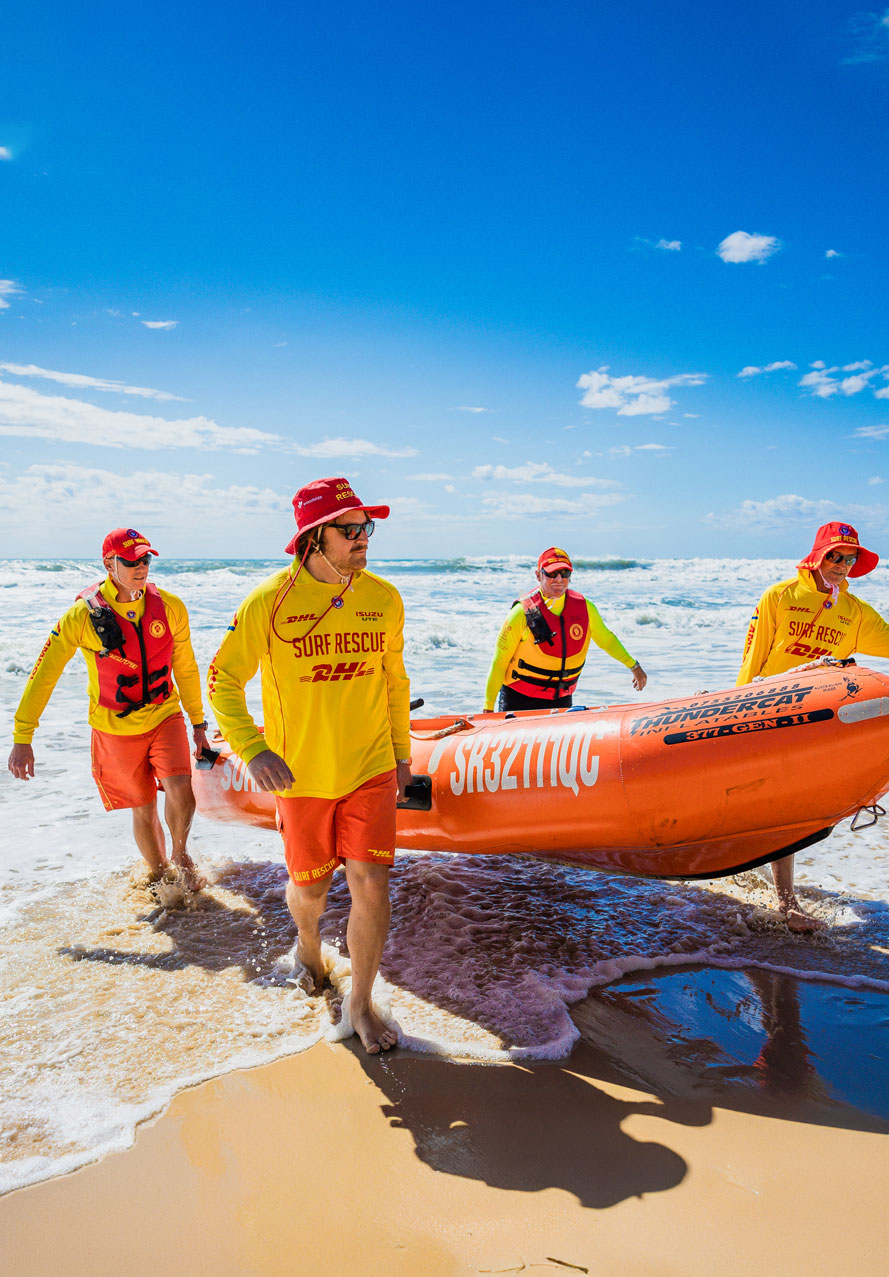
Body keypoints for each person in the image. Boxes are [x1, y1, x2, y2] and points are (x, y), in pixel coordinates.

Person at [207, 476, 411, 1055]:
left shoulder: (384, 598)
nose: (364, 539)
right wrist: (253, 748)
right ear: (314, 537)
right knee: (312, 889)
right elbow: (222, 681)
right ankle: (307, 944)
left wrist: (401, 755)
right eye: (351, 530)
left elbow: (395, 684)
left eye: (366, 528)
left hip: (369, 766)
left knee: (371, 880)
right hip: (299, 777)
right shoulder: (267, 602)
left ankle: (361, 1004)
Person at [8, 528, 209, 891]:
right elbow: (44, 675)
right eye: (131, 561)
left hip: (165, 714)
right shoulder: (81, 617)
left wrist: (198, 723)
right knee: (143, 807)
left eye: (146, 559)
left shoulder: (171, 607)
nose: (141, 567)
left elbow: (187, 667)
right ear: (109, 563)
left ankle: (180, 856)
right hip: (115, 727)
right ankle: (160, 874)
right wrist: (23, 736)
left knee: (181, 786)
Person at [737, 520, 889, 932]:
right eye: (835, 556)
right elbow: (753, 661)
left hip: (818, 725)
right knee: (778, 805)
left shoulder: (854, 613)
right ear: (818, 556)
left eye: (850, 557)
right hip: (769, 714)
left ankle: (770, 885)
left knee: (793, 808)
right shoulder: (780, 597)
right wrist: (736, 714)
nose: (841, 564)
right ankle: (786, 902)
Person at [483, 546, 647, 712]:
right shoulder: (521, 613)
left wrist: (634, 666)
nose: (559, 579)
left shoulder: (585, 608)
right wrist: (488, 708)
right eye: (552, 573)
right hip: (519, 700)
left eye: (565, 573)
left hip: (561, 699)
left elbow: (606, 639)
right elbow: (499, 662)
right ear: (538, 575)